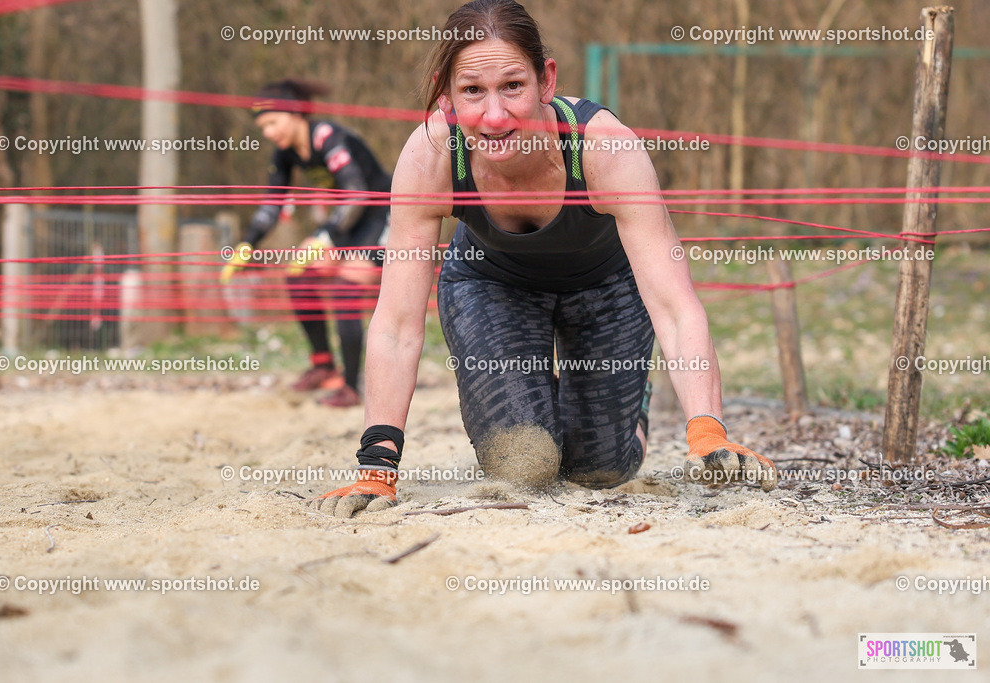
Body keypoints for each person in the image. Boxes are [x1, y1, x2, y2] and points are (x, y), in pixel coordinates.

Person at [312, 0, 775, 516]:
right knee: (524, 463)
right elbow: (397, 323)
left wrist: (707, 429)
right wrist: (378, 466)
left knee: (599, 470)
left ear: (545, 81)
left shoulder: (605, 150)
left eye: (513, 86)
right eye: (472, 91)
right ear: (446, 95)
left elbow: (674, 305)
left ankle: (627, 408)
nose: (494, 115)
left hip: (607, 286)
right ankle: (533, 392)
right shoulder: (430, 157)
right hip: (491, 286)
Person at [222, 79, 392, 407]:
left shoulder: (329, 138)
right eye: (263, 127)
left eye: (273, 123)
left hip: (380, 216)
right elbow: (272, 204)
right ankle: (323, 366)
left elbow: (357, 194)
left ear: (295, 113)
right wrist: (247, 244)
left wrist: (324, 236)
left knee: (345, 290)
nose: (268, 132)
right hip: (348, 220)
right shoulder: (285, 153)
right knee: (298, 275)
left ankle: (352, 388)